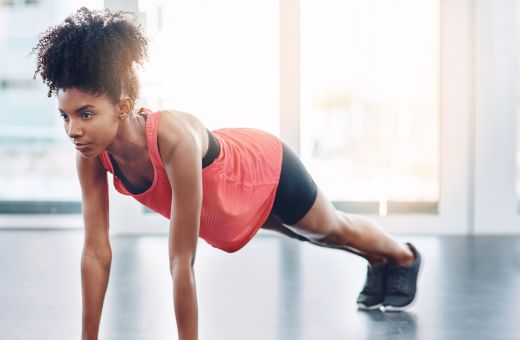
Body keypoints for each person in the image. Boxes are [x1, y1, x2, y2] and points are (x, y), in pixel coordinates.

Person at [33, 7, 421, 340]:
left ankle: (400, 258)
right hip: (228, 208)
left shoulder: (172, 138)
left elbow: (180, 262)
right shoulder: (92, 156)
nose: (73, 130)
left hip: (262, 170)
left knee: (328, 228)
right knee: (308, 236)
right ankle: (378, 260)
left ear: (124, 106)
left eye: (86, 114)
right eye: (65, 116)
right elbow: (96, 251)